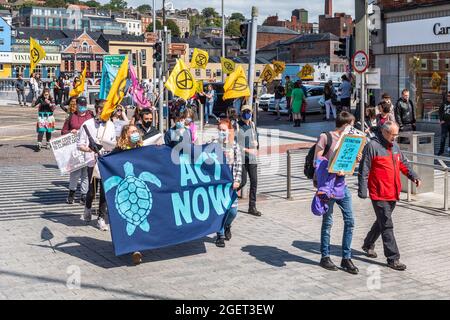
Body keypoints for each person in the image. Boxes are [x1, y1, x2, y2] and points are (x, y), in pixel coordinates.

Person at [358, 121, 421, 271]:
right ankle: (393, 258)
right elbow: (364, 169)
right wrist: (362, 191)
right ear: (385, 132)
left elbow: (403, 163)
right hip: (379, 193)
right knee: (387, 224)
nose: (395, 137)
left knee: (382, 221)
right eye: (393, 135)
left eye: (396, 134)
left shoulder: (395, 147)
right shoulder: (372, 147)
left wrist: (414, 176)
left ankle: (368, 244)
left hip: (393, 192)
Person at [314, 111, 360, 274]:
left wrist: (355, 158)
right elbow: (317, 160)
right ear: (346, 125)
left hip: (343, 186)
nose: (354, 128)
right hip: (328, 186)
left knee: (350, 221)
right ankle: (325, 256)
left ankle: (346, 258)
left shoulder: (350, 140)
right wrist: (333, 167)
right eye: (352, 125)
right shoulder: (326, 137)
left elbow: (350, 161)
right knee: (328, 222)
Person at [78, 99, 117, 231]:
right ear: (97, 109)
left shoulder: (111, 125)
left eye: (106, 108)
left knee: (105, 191)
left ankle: (101, 218)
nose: (103, 111)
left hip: (106, 161)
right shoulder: (87, 124)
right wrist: (90, 149)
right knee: (92, 191)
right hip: (92, 161)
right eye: (101, 108)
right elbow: (80, 145)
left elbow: (113, 142)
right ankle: (87, 207)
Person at [213, 119, 242, 248]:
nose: (221, 132)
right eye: (219, 130)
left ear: (229, 131)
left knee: (233, 211)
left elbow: (238, 164)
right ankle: (220, 235)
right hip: (218, 184)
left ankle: (227, 225)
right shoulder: (213, 145)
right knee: (220, 210)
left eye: (223, 130)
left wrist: (237, 180)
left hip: (231, 184)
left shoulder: (234, 146)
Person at [61, 96, 94, 205]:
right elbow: (63, 131)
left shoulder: (90, 116)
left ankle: (84, 194)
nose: (82, 108)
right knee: (75, 172)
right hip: (74, 148)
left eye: (84, 105)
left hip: (87, 148)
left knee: (86, 173)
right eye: (80, 105)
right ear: (77, 105)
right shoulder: (72, 116)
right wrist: (71, 131)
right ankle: (71, 193)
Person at [237, 105, 261, 216]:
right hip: (241, 158)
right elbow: (236, 144)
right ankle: (229, 198)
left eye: (249, 111)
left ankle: (252, 206)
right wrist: (246, 149)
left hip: (251, 158)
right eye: (245, 111)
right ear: (241, 113)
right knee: (242, 182)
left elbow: (257, 140)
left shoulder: (252, 125)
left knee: (254, 182)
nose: (247, 113)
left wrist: (256, 145)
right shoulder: (237, 126)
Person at [438, 91, 450, 156]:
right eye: (447, 96)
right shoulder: (444, 103)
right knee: (443, 137)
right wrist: (441, 120)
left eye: (449, 96)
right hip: (444, 123)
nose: (448, 97)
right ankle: (441, 151)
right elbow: (440, 111)